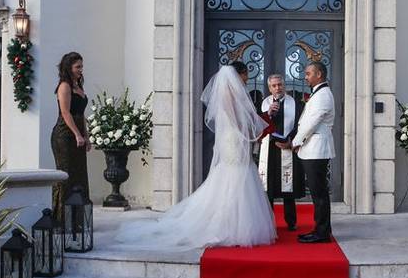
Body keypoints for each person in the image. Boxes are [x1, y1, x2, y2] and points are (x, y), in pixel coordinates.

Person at [115, 63, 276, 248]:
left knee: (237, 174)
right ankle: (228, 225)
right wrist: (251, 132)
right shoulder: (228, 95)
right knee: (235, 175)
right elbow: (236, 121)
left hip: (235, 139)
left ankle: (236, 223)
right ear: (239, 75)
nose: (247, 79)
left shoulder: (233, 93)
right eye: (245, 75)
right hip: (234, 139)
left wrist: (254, 127)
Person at [283, 61, 335, 243]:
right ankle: (320, 229)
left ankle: (321, 233)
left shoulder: (323, 95)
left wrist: (295, 142)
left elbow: (310, 123)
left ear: (319, 74)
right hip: (311, 149)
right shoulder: (319, 93)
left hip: (316, 150)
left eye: (308, 73)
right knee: (317, 193)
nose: (305, 77)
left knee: (319, 194)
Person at [259, 73, 305, 231]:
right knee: (268, 187)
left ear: (284, 85)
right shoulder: (263, 104)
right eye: (274, 85)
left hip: (287, 146)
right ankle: (268, 222)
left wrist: (290, 141)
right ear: (269, 88)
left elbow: (301, 125)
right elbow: (257, 126)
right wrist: (268, 114)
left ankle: (291, 222)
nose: (277, 88)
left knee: (288, 185)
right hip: (269, 150)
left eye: (280, 84)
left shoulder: (296, 103)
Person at [50, 53, 91, 220]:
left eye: (81, 66)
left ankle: (79, 219)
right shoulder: (64, 86)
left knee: (79, 175)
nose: (81, 70)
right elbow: (66, 113)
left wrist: (86, 136)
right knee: (66, 176)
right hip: (64, 136)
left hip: (77, 134)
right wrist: (77, 135)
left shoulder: (78, 85)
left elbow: (81, 114)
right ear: (69, 68)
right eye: (77, 67)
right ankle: (62, 219)